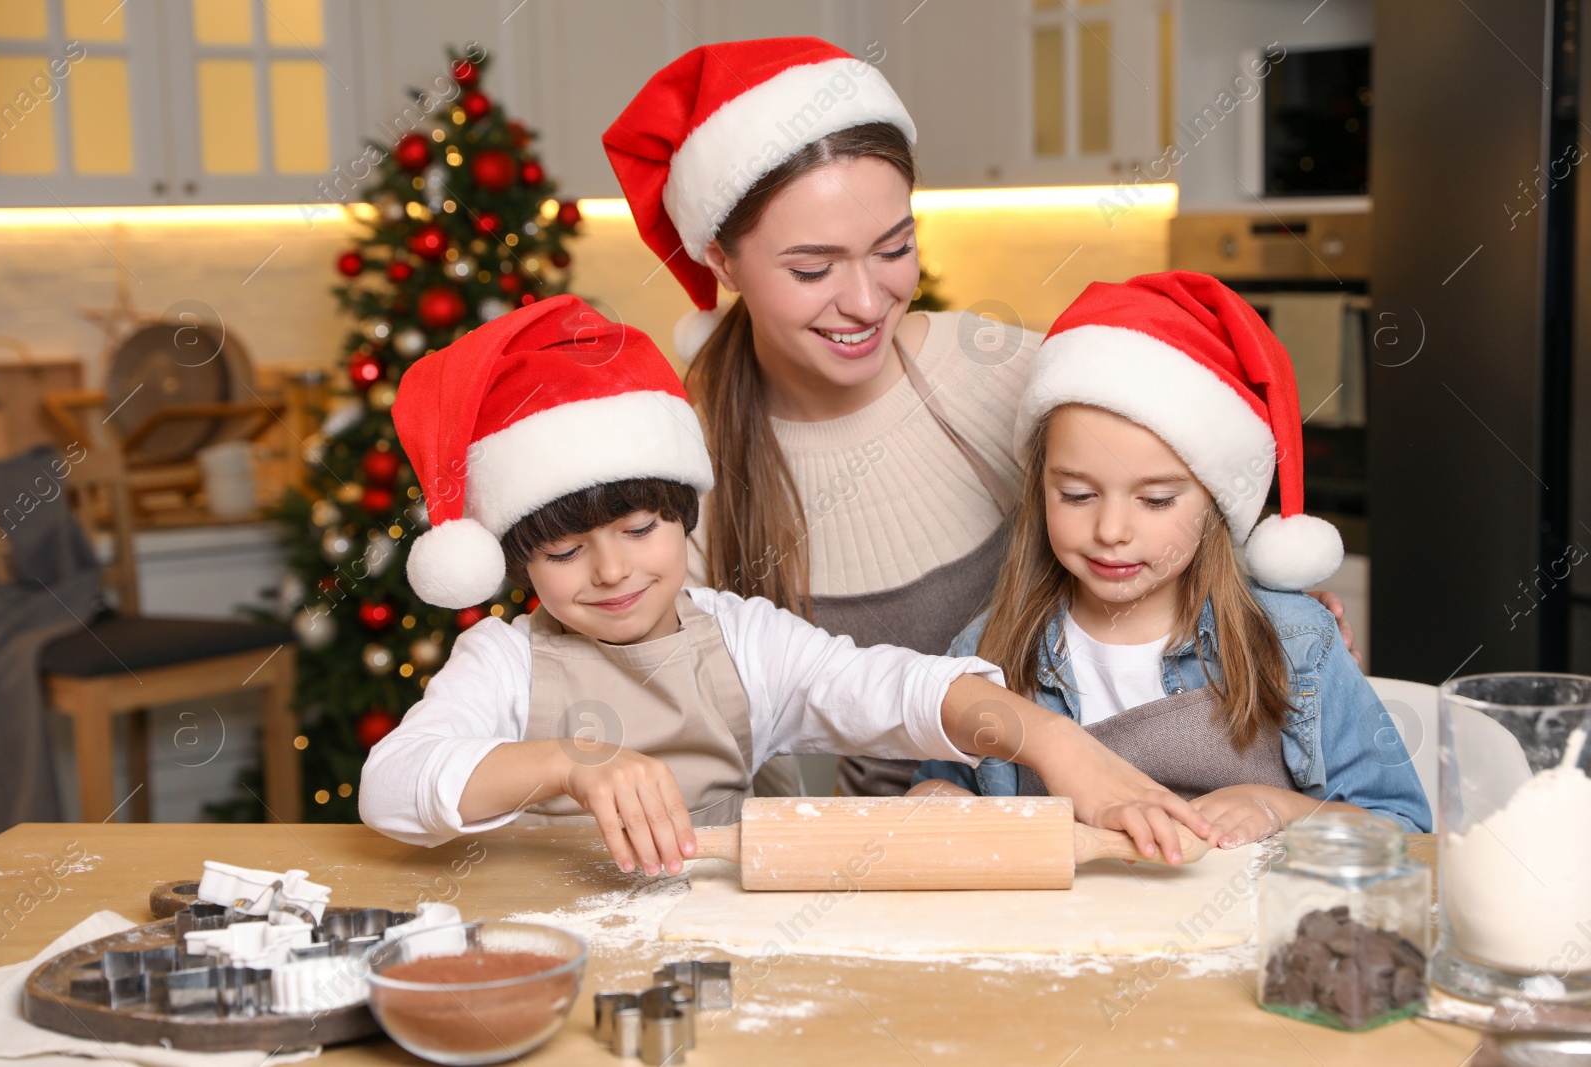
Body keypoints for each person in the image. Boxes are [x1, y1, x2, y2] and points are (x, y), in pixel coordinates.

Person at [603, 36, 1358, 798]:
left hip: (1071, 813)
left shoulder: (1005, 373)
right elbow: (672, 717)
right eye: (813, 268)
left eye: (893, 248)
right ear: (722, 262)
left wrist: (1275, 611)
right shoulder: (682, 465)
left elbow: (1176, 483)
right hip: (870, 845)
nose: (866, 303)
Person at [357, 294, 1214, 875]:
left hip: (705, 945)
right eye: (567, 551)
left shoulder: (744, 643)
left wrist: (1053, 743)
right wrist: (567, 765)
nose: (613, 570)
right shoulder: (503, 659)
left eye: (639, 529)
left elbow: (895, 688)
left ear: (685, 516)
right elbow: (391, 789)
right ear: (519, 562)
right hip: (529, 943)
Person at [913, 272, 1432, 844]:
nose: (1111, 531)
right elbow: (945, 801)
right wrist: (933, 802)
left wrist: (1278, 807)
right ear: (1039, 488)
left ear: (1215, 504)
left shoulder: (1296, 642)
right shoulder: (988, 651)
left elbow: (1402, 830)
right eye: (1077, 495)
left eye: (1157, 500)